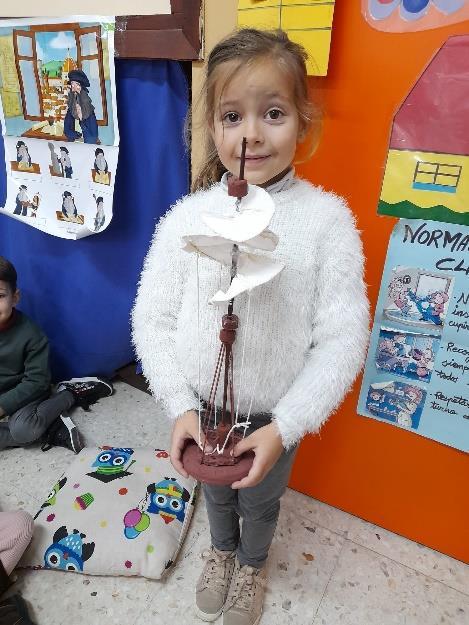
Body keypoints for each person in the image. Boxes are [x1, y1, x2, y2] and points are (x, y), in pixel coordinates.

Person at [132, 28, 369, 625]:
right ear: (212, 127)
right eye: (233, 116)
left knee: (260, 502)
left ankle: (252, 562)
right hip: (203, 406)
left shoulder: (328, 222)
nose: (252, 135)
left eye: (274, 113)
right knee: (215, 492)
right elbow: (152, 318)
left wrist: (287, 425)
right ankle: (221, 550)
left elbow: (342, 337)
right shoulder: (186, 218)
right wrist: (180, 405)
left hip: (272, 417)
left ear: (304, 121)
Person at [0, 256, 113, 454]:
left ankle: (70, 394)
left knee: (24, 430)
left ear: (15, 297)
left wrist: (2, 405)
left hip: (26, 394)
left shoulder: (31, 334)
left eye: (0, 296)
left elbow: (36, 382)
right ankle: (49, 428)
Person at [64, 69, 98, 144]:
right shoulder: (71, 107)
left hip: (86, 142)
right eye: (72, 83)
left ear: (80, 86)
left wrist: (83, 126)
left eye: (75, 84)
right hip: (74, 142)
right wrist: (76, 135)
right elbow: (67, 130)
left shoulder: (88, 110)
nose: (73, 86)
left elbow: (93, 137)